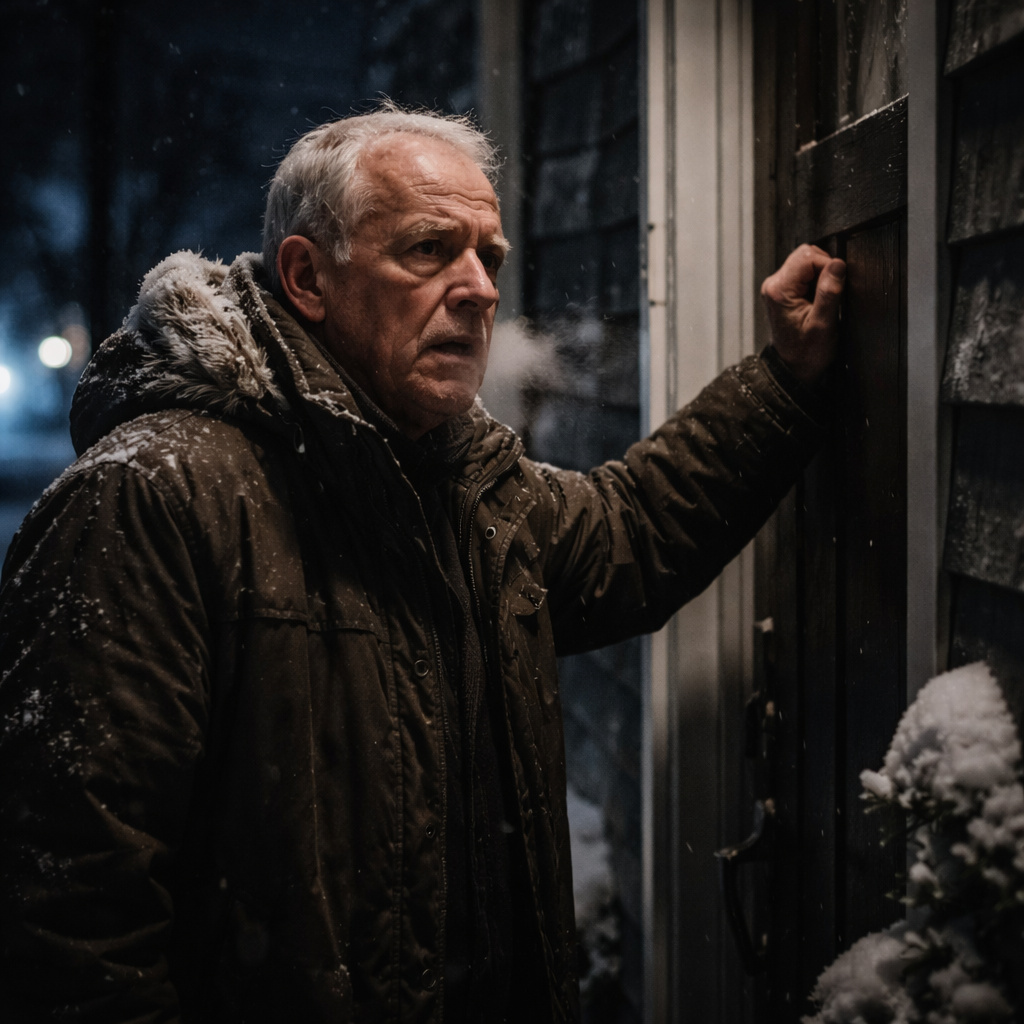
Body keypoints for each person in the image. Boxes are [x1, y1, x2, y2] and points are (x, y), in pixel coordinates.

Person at [0, 104, 845, 1023]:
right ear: (308, 277)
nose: (480, 288)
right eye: (430, 250)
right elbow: (71, 912)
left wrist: (783, 379)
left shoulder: (462, 486)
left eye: (490, 257)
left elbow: (627, 535)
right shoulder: (153, 497)